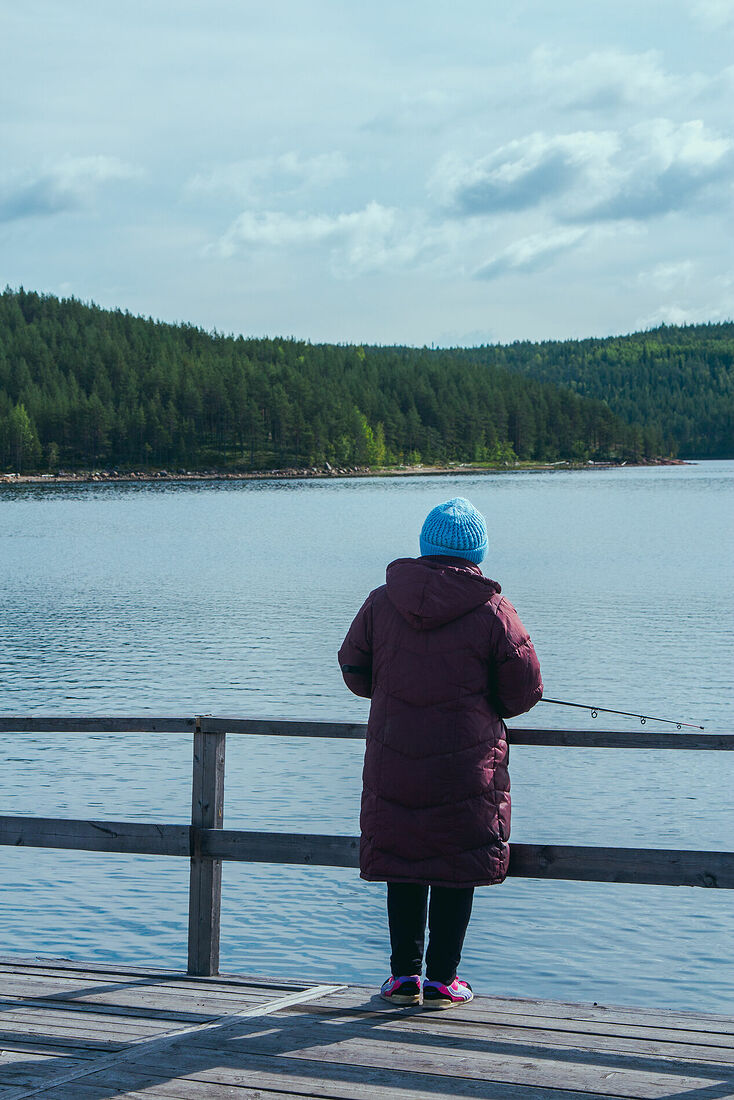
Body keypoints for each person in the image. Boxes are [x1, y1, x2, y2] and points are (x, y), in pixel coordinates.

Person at [338, 497, 542, 1009]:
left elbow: (354, 669)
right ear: (478, 552)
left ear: (425, 545)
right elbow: (524, 689)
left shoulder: (382, 601)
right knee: (457, 860)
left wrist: (393, 692)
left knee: (403, 858)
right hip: (466, 764)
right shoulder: (493, 609)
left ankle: (403, 977)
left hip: (395, 756)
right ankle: (443, 980)